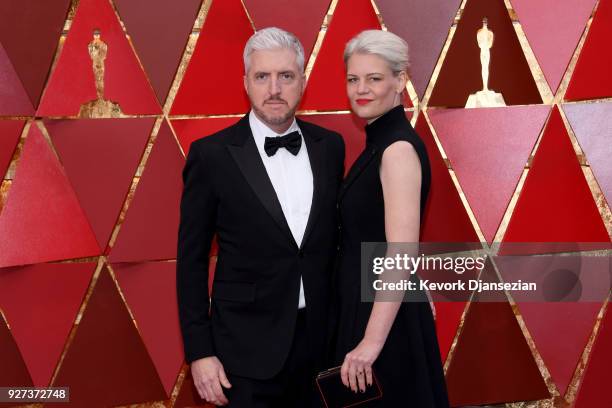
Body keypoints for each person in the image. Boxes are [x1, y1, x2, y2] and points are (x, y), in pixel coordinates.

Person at [176, 27, 345, 407]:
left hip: (323, 347)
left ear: (303, 81)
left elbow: (344, 240)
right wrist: (200, 352)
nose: (274, 89)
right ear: (246, 83)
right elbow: (191, 262)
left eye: (285, 76)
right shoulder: (212, 155)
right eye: (262, 76)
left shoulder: (330, 148)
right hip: (244, 355)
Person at [334, 29, 450, 406]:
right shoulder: (381, 144)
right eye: (353, 79)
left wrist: (370, 342)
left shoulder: (397, 150)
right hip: (374, 306)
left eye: (374, 78)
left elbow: (401, 253)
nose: (360, 89)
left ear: (400, 80)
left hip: (381, 321)